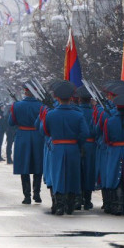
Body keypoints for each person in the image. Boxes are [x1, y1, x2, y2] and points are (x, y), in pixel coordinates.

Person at [41, 82, 90, 215]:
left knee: (57, 175)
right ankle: (70, 205)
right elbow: (85, 133)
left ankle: (59, 204)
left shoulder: (50, 114)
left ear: (57, 98)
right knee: (73, 176)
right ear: (71, 98)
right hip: (73, 147)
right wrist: (78, 144)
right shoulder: (78, 115)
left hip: (57, 147)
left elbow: (44, 130)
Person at [9, 82, 45, 204]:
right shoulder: (41, 105)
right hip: (37, 136)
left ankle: (27, 196)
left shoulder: (17, 105)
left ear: (25, 92)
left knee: (24, 166)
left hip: (22, 136)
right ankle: (37, 193)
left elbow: (11, 122)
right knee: (38, 165)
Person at [75, 86, 99, 211]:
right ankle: (88, 200)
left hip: (78, 144)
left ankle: (78, 199)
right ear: (90, 99)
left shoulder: (76, 111)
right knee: (89, 172)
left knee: (78, 171)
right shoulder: (95, 111)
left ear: (79, 99)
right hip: (91, 145)